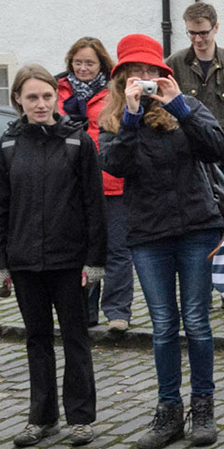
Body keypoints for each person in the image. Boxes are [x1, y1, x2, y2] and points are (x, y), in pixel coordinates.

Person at [97, 34, 224, 449]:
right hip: (148, 233)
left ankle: (203, 408)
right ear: (121, 78)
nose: (143, 77)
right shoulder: (113, 119)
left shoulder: (186, 106)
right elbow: (115, 165)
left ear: (163, 73)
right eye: (134, 71)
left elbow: (217, 148)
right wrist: (132, 117)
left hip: (196, 227)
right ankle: (168, 410)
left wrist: (180, 109)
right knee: (163, 326)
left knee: (198, 322)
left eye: (150, 70)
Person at [0, 65, 108, 448]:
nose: (40, 104)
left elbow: (94, 204)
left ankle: (80, 418)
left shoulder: (77, 142)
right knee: (37, 340)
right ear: (18, 100)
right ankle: (42, 418)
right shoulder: (7, 146)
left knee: (75, 338)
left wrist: (95, 259)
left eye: (46, 96)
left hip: (69, 261)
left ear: (56, 97)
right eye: (32, 97)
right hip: (25, 262)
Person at [59, 37, 133, 334]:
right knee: (81, 250)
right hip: (72, 181)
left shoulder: (114, 91)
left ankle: (117, 311)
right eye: (78, 62)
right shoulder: (59, 90)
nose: (83, 68)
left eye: (89, 63)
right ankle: (84, 311)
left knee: (116, 250)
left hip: (111, 181)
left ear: (101, 64)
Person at [168, 1, 224, 166]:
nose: (197, 39)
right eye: (192, 33)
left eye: (203, 33)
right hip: (187, 153)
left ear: (216, 28)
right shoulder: (175, 63)